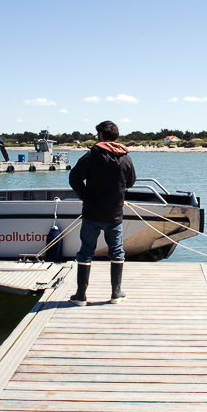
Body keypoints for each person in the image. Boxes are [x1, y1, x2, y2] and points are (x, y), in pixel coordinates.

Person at [68, 120, 136, 305]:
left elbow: (74, 178)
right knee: (117, 252)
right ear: (116, 136)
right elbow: (130, 183)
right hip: (114, 214)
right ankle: (116, 293)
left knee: (86, 252)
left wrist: (85, 196)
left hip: (91, 212)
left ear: (100, 135)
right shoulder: (126, 157)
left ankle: (80, 296)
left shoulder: (91, 155)